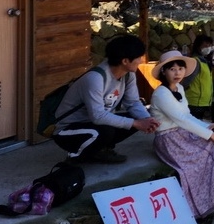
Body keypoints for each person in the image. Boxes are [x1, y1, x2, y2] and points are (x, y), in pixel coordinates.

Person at [150, 50, 214, 224]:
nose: (177, 73)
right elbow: (180, 119)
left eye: (180, 68)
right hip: (169, 140)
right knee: (207, 156)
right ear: (163, 72)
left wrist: (206, 127)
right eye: (172, 69)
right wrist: (210, 135)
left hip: (182, 134)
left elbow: (187, 115)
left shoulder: (180, 89)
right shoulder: (161, 94)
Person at [52, 34, 159, 163]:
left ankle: (100, 149)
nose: (141, 61)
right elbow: (97, 116)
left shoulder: (128, 75)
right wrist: (136, 124)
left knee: (136, 118)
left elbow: (133, 103)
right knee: (107, 130)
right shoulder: (95, 78)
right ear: (125, 61)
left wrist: (147, 120)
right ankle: (75, 157)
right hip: (66, 131)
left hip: (93, 124)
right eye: (138, 57)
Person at [183, 35, 214, 120]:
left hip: (203, 102)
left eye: (209, 46)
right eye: (205, 46)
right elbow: (186, 81)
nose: (208, 48)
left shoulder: (204, 61)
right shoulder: (195, 61)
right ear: (198, 46)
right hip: (195, 102)